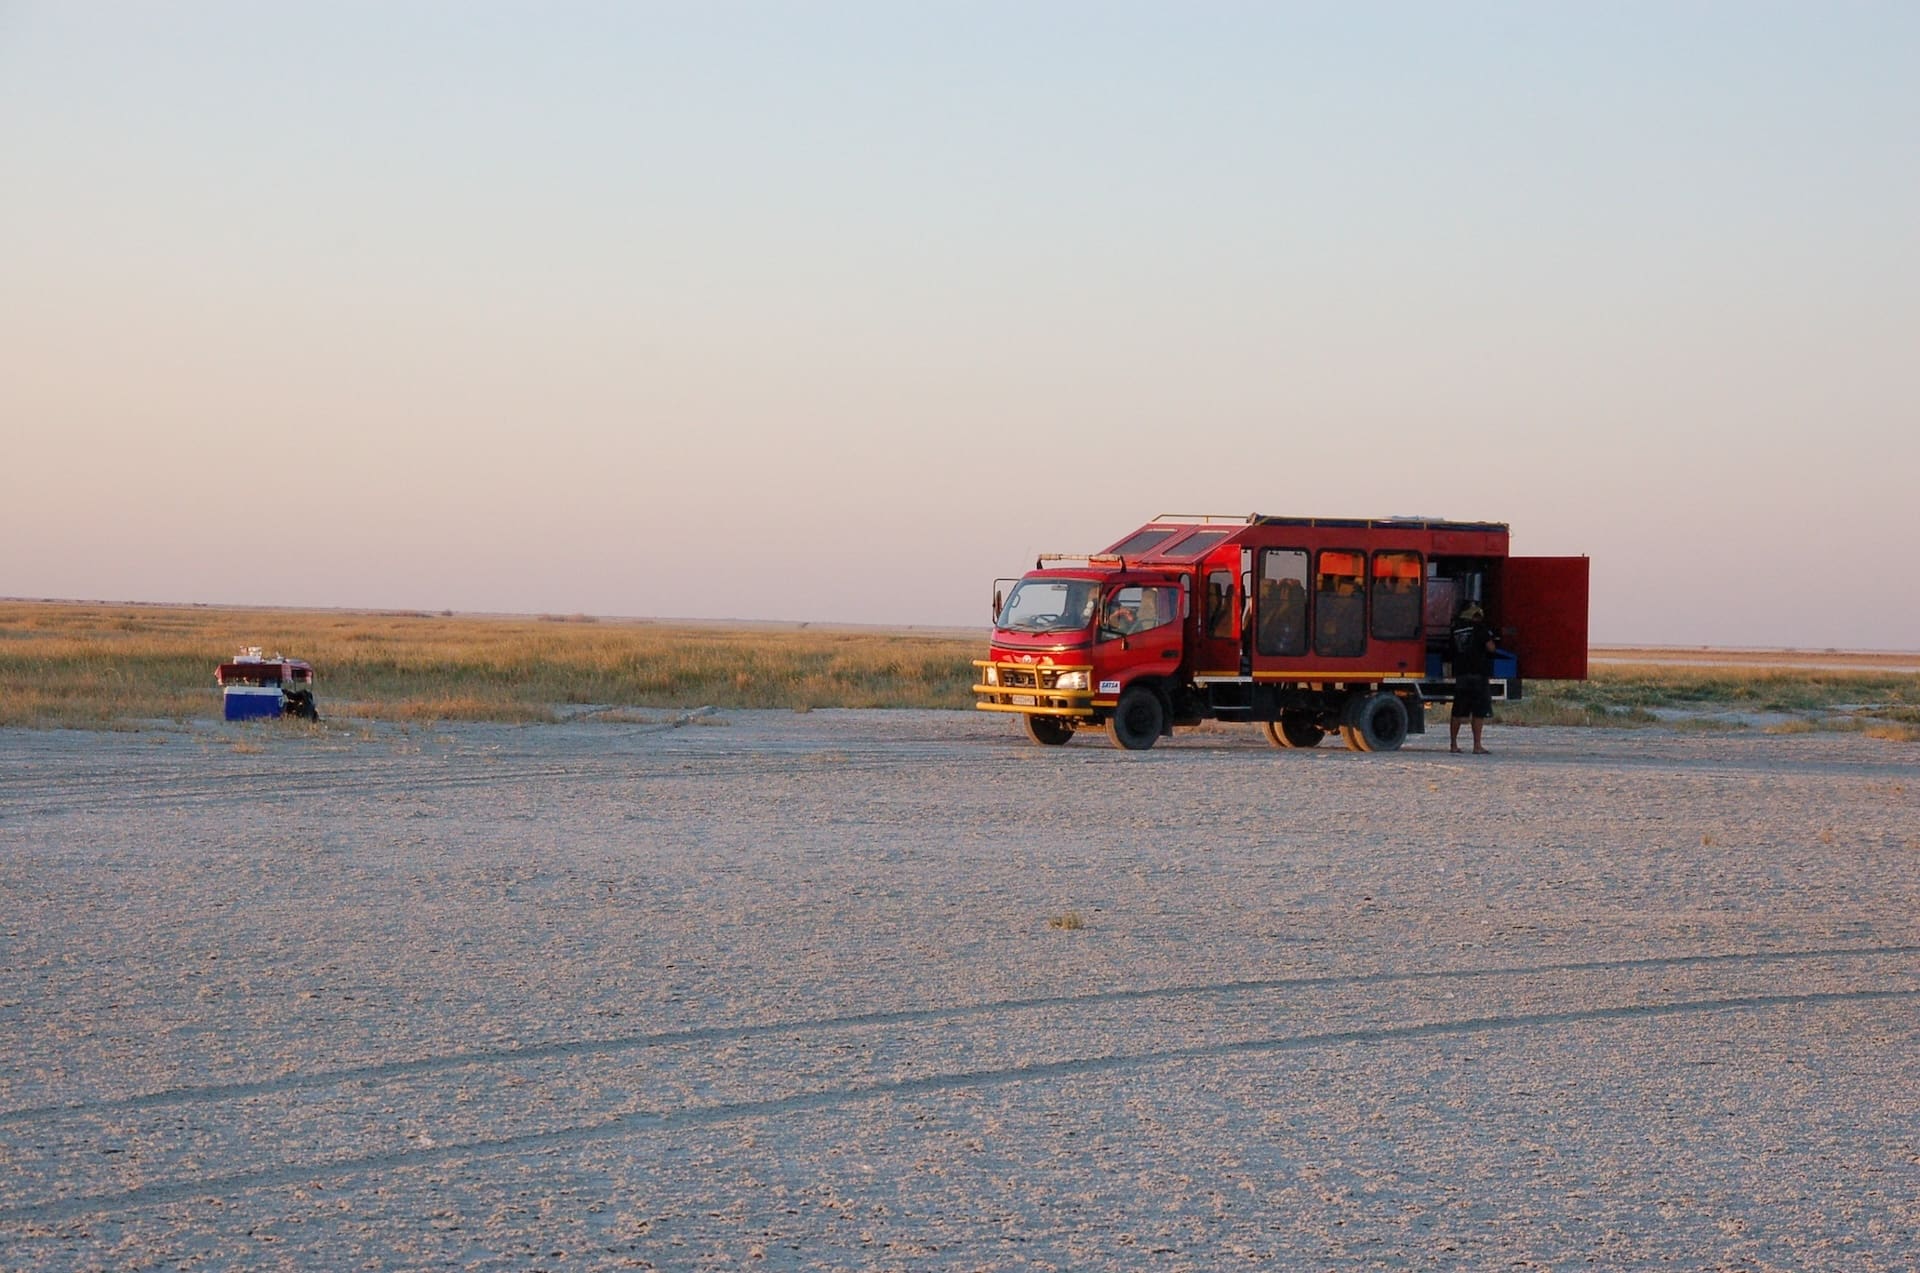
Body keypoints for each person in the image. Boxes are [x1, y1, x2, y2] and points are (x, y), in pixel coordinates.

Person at [1449, 601, 1496, 754]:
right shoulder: (1479, 628)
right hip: (1478, 673)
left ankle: (1453, 745)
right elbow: (1491, 648)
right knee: (1478, 711)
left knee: (1457, 711)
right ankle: (1477, 746)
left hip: (1461, 674)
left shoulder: (1455, 630)